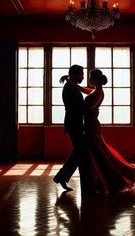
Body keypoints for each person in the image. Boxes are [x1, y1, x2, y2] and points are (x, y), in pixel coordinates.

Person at [63, 69, 135, 194]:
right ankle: (96, 180)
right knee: (95, 152)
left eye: (90, 77)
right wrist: (70, 81)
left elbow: (88, 108)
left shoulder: (99, 92)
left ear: (95, 79)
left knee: (99, 152)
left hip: (91, 125)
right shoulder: (95, 90)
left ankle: (106, 179)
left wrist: (83, 109)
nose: (88, 79)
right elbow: (83, 90)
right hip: (89, 124)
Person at [53, 64, 92, 192]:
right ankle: (62, 176)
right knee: (79, 150)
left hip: (74, 123)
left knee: (78, 151)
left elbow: (85, 92)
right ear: (75, 74)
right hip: (74, 123)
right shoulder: (70, 88)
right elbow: (78, 107)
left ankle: (62, 177)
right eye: (81, 74)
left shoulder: (71, 86)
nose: (83, 77)